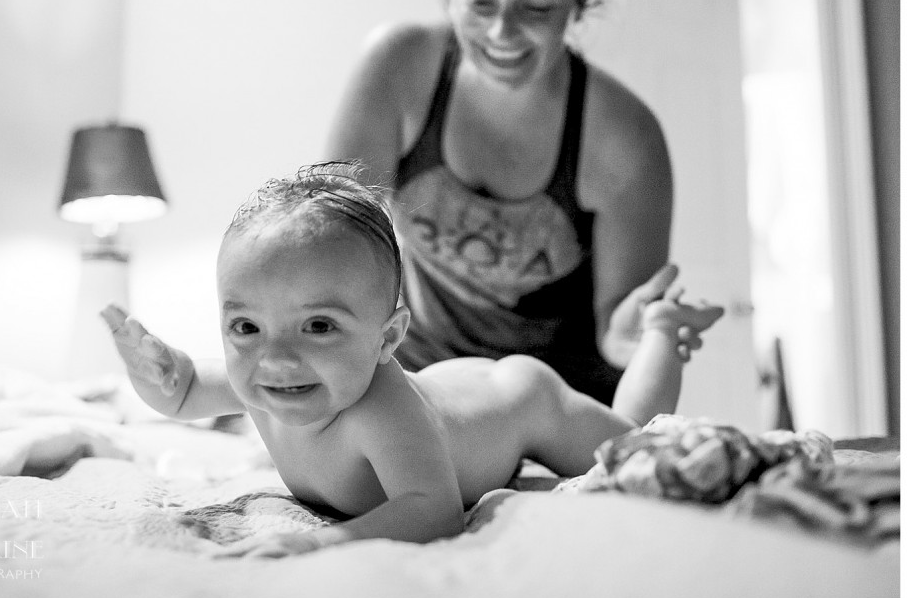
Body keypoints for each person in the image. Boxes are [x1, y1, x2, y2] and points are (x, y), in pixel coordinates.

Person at [101, 162, 724, 558]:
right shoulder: (266, 380)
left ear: (388, 339)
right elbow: (180, 395)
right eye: (245, 326)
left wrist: (325, 542)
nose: (276, 357)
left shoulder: (378, 409)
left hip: (515, 399)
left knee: (637, 442)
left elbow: (433, 509)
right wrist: (155, 369)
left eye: (319, 325)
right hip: (448, 389)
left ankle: (661, 330)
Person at [321, 0, 678, 404]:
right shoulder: (399, 67)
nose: (501, 32)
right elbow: (334, 245)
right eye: (481, 2)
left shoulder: (625, 138)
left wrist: (639, 333)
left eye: (537, 7)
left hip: (559, 405)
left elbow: (616, 333)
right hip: (424, 383)